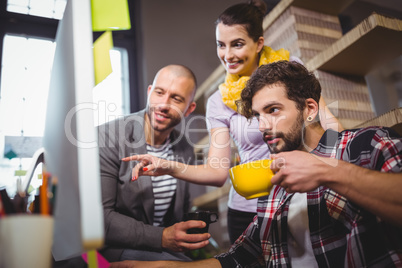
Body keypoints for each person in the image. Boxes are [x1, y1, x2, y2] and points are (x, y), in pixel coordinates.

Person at [110, 60, 402, 268]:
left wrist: (327, 171)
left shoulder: (366, 145)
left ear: (310, 109)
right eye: (257, 116)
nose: (263, 126)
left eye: (273, 110)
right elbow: (242, 256)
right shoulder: (275, 184)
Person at [122, 0, 342, 245]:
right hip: (248, 211)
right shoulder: (218, 101)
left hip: (300, 195)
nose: (227, 55)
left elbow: (329, 124)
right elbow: (217, 171)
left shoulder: (291, 71)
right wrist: (167, 166)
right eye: (221, 45)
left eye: (237, 44)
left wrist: (329, 166)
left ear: (259, 43)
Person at [97, 64, 211, 262]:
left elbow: (178, 214)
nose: (164, 104)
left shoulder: (184, 148)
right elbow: (101, 218)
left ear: (189, 109)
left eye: (176, 98)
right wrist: (162, 238)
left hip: (160, 252)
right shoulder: (107, 137)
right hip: (111, 251)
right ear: (150, 92)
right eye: (160, 93)